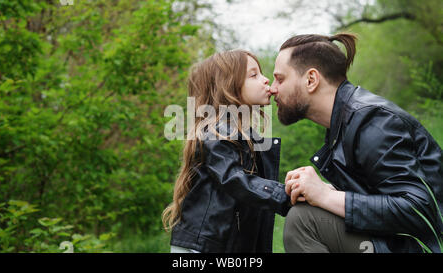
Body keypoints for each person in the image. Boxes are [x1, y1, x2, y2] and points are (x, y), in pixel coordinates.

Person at [270, 33, 443, 253]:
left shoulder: (373, 122)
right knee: (309, 207)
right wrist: (324, 190)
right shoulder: (343, 124)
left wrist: (326, 195)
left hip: (426, 245)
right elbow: (380, 193)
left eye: (280, 78)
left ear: (311, 79)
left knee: (303, 220)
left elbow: (419, 210)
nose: (272, 88)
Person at [162, 50, 291, 253]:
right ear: (229, 85)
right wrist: (287, 195)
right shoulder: (216, 132)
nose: (266, 80)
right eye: (253, 74)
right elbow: (234, 179)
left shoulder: (245, 136)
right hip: (204, 246)